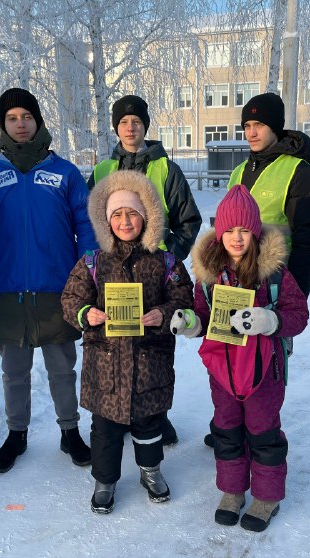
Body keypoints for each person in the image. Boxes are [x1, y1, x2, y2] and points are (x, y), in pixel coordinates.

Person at [0, 88, 97, 473]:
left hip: (58, 289)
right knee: (14, 371)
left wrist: (87, 278)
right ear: (2, 124)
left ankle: (70, 430)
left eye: (26, 116)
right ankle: (16, 433)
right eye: (11, 118)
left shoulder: (64, 172)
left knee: (62, 367)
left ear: (38, 121)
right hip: (7, 290)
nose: (20, 124)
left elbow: (86, 227)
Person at [171, 185, 308, 532]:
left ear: (255, 231)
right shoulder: (209, 276)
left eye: (244, 230)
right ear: (220, 233)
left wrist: (270, 320)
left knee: (263, 431)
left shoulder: (273, 274)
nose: (236, 237)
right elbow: (201, 314)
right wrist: (190, 323)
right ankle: (232, 492)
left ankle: (267, 496)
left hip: (265, 371)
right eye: (229, 230)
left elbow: (299, 314)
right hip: (223, 370)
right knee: (228, 430)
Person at [61, 170, 194, 514]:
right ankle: (104, 480)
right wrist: (86, 314)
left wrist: (163, 314)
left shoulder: (165, 262)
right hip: (104, 368)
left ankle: (151, 471)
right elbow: (70, 300)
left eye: (132, 213)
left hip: (150, 364)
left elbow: (184, 299)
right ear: (106, 220)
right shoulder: (92, 262)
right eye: (117, 214)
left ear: (147, 216)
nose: (125, 221)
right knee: (104, 430)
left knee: (149, 424)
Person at [204, 91, 310, 448]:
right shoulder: (240, 170)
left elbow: (307, 237)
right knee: (230, 348)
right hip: (235, 282)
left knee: (267, 362)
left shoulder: (298, 171)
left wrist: (295, 293)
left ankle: (261, 428)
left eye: (259, 125)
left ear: (276, 126)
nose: (252, 133)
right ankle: (228, 423)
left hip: (273, 286)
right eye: (247, 126)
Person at [89, 94, 203, 446]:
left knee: (154, 347)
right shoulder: (103, 171)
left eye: (136, 121)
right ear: (116, 128)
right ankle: (121, 414)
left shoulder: (166, 169)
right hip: (116, 271)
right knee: (118, 343)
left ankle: (155, 415)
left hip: (155, 275)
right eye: (123, 122)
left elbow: (188, 220)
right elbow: (93, 220)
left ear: (145, 126)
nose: (130, 127)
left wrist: (167, 257)